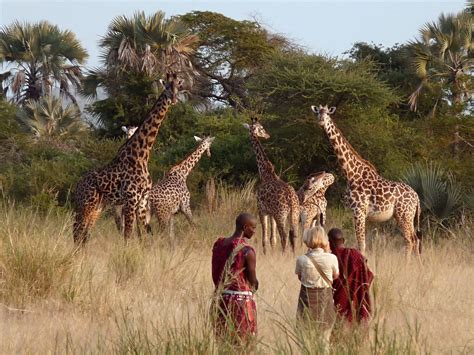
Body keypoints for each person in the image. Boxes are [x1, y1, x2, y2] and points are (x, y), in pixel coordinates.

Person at [211, 213, 259, 344]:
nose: (254, 231)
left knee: (222, 344)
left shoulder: (218, 245)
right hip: (240, 305)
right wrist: (255, 286)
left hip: (219, 300)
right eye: (253, 228)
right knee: (242, 345)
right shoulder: (247, 251)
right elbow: (253, 281)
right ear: (245, 227)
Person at [295, 226, 339, 351]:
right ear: (325, 240)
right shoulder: (332, 258)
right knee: (324, 341)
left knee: (305, 340)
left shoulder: (302, 259)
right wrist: (328, 251)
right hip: (325, 299)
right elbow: (335, 276)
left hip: (306, 300)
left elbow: (300, 277)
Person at [328, 228, 374, 324]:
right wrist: (359, 290)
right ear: (344, 241)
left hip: (339, 301)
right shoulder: (357, 254)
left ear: (329, 242)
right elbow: (370, 275)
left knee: (339, 328)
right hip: (358, 300)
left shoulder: (330, 258)